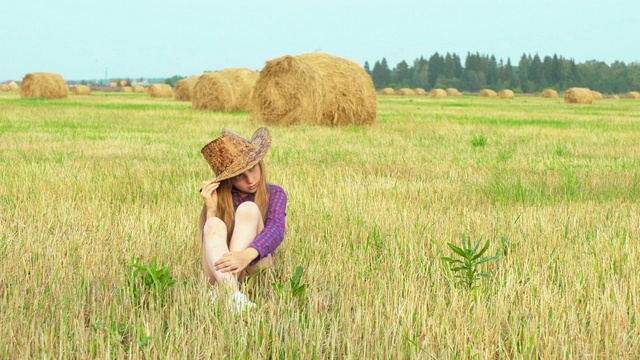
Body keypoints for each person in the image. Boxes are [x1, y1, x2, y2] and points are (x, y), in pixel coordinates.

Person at [198, 127, 287, 311]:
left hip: (254, 266)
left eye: (252, 169)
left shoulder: (275, 193)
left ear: (259, 163)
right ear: (228, 180)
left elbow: (276, 229)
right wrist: (211, 210)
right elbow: (209, 245)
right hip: (220, 273)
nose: (250, 180)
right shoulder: (221, 197)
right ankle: (232, 295)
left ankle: (226, 295)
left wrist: (245, 255)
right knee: (213, 223)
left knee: (249, 209)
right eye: (239, 176)